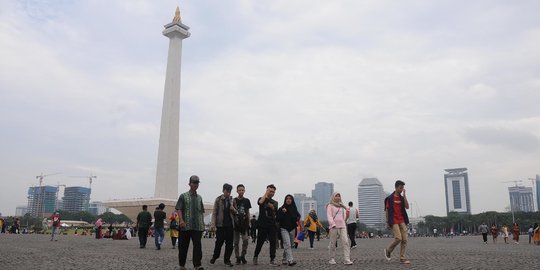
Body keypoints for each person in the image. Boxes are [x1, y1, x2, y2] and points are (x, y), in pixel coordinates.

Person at [176, 175, 205, 270]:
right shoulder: (183, 196)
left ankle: (197, 265)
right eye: (194, 182)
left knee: (197, 246)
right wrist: (181, 220)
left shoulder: (199, 198)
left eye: (197, 183)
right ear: (189, 183)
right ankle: (182, 265)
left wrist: (202, 224)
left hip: (197, 226)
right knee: (183, 246)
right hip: (185, 226)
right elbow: (179, 208)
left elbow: (201, 212)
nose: (196, 184)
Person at [383, 180, 410, 264]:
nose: (402, 189)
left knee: (405, 239)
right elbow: (387, 211)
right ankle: (388, 250)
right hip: (393, 220)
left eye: (403, 188)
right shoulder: (390, 198)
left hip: (402, 220)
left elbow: (407, 207)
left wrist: (404, 195)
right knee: (398, 238)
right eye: (400, 188)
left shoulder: (402, 198)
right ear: (396, 187)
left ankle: (402, 258)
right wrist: (387, 222)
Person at [210, 183, 237, 267]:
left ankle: (227, 260)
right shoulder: (218, 200)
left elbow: (236, 212)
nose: (228, 193)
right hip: (220, 225)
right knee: (219, 242)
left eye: (229, 192)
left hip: (230, 225)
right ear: (223, 190)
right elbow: (214, 213)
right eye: (226, 191)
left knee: (229, 244)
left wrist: (232, 208)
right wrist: (213, 224)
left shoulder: (232, 200)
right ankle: (215, 256)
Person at [253, 184, 279, 266]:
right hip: (262, 225)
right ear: (267, 190)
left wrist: (270, 206)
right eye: (270, 191)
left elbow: (274, 208)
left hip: (272, 225)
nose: (271, 193)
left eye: (273, 192)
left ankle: (272, 259)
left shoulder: (275, 202)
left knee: (273, 242)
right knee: (260, 242)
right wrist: (266, 194)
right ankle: (255, 256)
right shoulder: (261, 199)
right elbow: (260, 202)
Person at [326, 192, 353, 265]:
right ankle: (332, 258)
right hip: (334, 226)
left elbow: (344, 214)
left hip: (342, 226)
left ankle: (347, 259)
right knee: (333, 243)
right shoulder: (330, 205)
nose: (338, 197)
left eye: (339, 196)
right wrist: (332, 223)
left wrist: (344, 221)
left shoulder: (341, 206)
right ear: (333, 197)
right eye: (336, 196)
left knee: (346, 242)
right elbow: (329, 216)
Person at [276, 194, 300, 266]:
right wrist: (283, 212)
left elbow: (297, 217)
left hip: (292, 229)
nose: (288, 200)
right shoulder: (281, 208)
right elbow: (277, 219)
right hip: (284, 228)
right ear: (285, 200)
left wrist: (288, 212)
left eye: (290, 199)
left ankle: (284, 259)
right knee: (287, 244)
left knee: (290, 245)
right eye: (287, 199)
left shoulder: (294, 208)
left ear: (292, 200)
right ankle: (290, 260)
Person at [233, 184, 252, 265]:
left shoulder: (247, 200)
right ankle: (237, 257)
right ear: (237, 191)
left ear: (244, 191)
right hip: (236, 223)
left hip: (244, 224)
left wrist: (249, 222)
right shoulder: (233, 200)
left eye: (242, 190)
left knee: (245, 240)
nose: (241, 191)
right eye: (239, 190)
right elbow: (231, 211)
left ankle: (243, 255)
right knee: (236, 242)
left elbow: (247, 212)